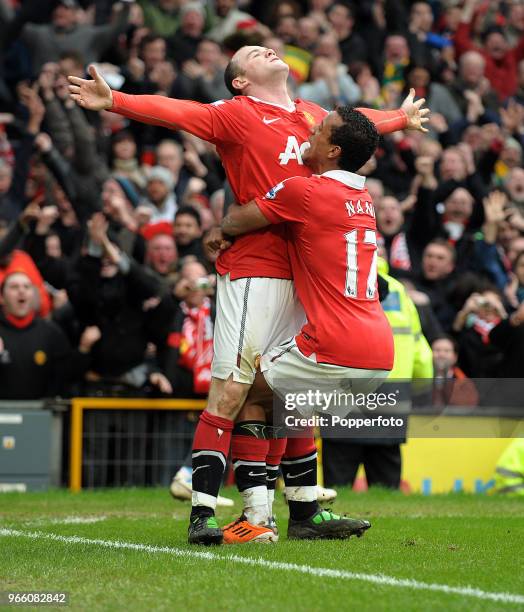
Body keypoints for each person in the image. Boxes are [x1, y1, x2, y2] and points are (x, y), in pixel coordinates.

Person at [68, 45, 429, 545]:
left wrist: (399, 118)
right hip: (254, 269)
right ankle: (205, 514)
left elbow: (355, 126)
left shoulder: (312, 115)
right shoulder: (237, 115)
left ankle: (301, 512)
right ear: (240, 81)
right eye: (250, 53)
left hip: (305, 277)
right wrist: (116, 101)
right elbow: (180, 111)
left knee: (289, 398)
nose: (266, 47)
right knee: (236, 391)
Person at [218, 107, 393, 541]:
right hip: (379, 350)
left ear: (333, 150)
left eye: (319, 130)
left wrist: (219, 226)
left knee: (252, 398)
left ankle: (256, 521)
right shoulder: (365, 200)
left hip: (336, 342)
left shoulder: (305, 192)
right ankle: (305, 515)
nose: (308, 133)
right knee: (291, 407)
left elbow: (236, 220)